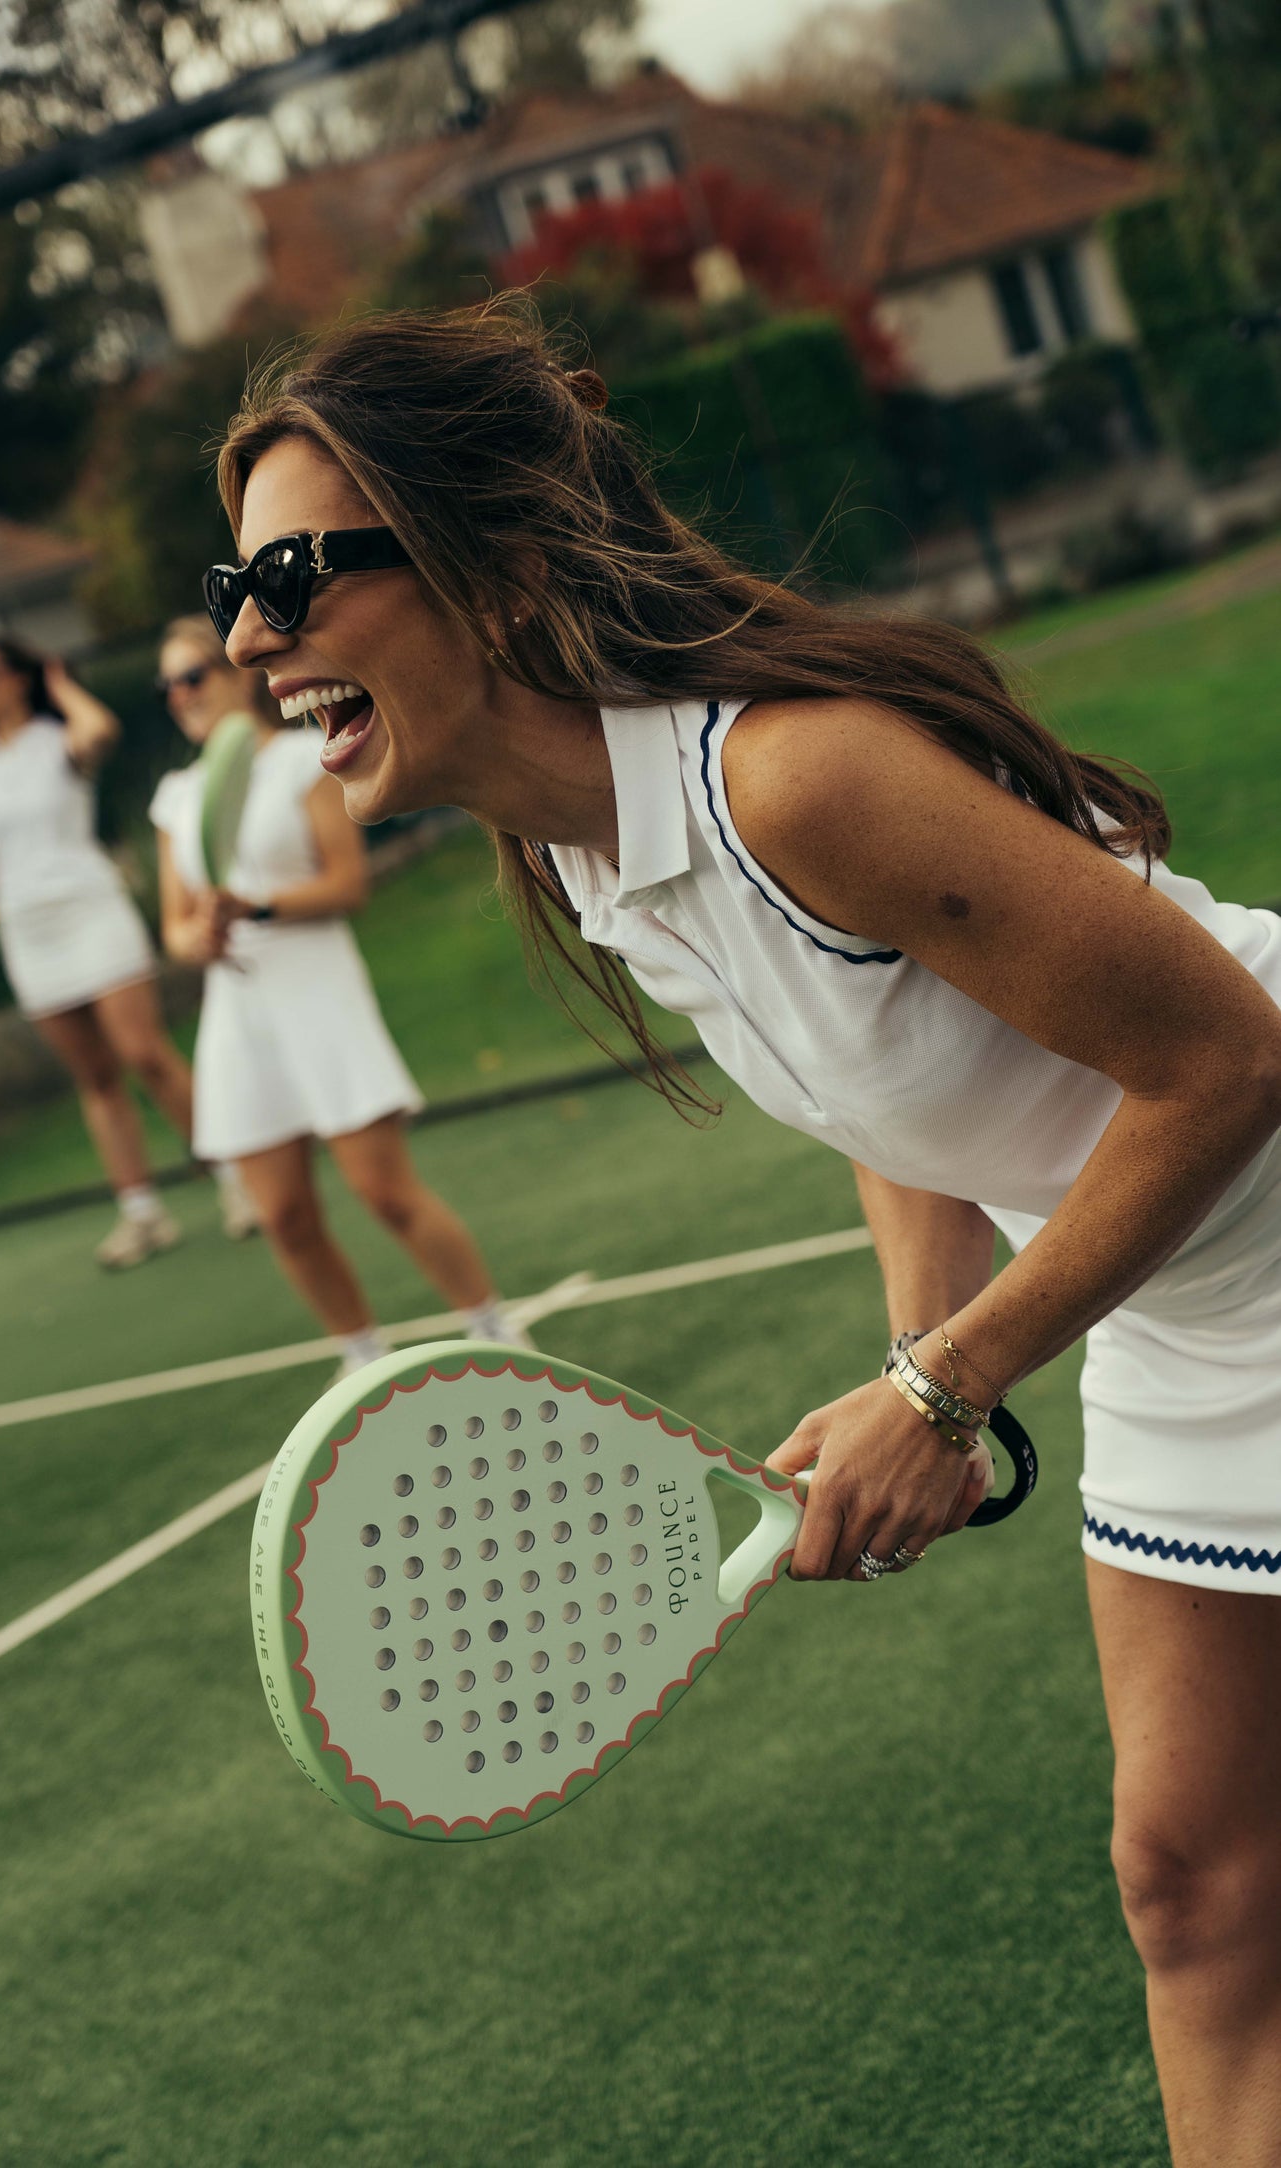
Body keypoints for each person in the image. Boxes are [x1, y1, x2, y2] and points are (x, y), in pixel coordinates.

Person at [204, 302, 1281, 2167]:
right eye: (236, 586)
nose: (245, 637)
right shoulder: (595, 859)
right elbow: (901, 1092)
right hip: (1187, 1311)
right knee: (1189, 1887)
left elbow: (1228, 1060)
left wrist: (947, 1389)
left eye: (294, 574)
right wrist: (916, 1361)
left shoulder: (791, 779)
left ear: (497, 571)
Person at [150, 612, 529, 1375]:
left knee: (384, 1192)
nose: (180, 695)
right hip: (238, 1011)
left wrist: (257, 907)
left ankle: (493, 1331)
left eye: (192, 676)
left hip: (316, 989)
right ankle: (360, 1358)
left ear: (237, 678)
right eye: (167, 687)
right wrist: (200, 937)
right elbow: (175, 927)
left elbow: (347, 884)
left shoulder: (302, 762)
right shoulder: (176, 797)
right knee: (282, 1214)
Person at [0, 634, 193, 1268]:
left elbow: (102, 729)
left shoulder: (63, 738)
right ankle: (142, 1214)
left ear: (20, 676)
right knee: (96, 1079)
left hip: (91, 910)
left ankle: (239, 1175)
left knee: (145, 1054)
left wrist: (60, 684)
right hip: (29, 935)